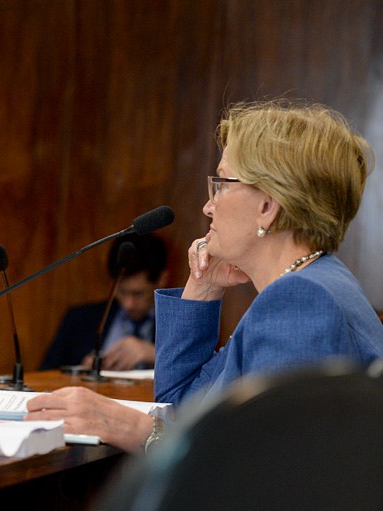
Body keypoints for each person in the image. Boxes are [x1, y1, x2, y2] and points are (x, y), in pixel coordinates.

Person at [26, 100, 383, 453]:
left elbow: (268, 467)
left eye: (222, 184)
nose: (208, 206)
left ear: (267, 206)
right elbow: (182, 407)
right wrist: (203, 286)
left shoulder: (299, 302)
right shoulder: (317, 285)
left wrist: (134, 428)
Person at [40, 234, 169, 371]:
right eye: (121, 291)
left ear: (162, 279)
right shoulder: (80, 319)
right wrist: (80, 371)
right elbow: (45, 374)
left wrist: (156, 354)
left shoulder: (178, 323)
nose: (128, 304)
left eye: (138, 293)